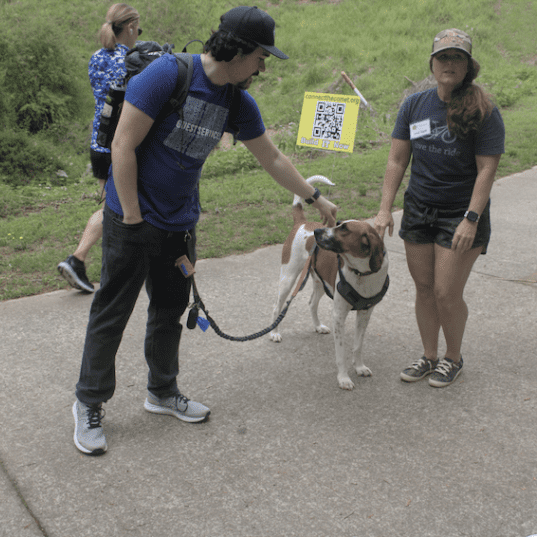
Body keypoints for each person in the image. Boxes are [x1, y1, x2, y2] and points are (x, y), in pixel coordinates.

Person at [72, 6, 339, 456]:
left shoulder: (237, 100)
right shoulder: (166, 75)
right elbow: (123, 144)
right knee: (113, 311)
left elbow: (272, 158)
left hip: (179, 224)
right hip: (131, 218)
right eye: (261, 56)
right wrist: (134, 217)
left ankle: (162, 391)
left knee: (169, 311)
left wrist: (315, 198)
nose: (263, 66)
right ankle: (89, 402)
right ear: (237, 49)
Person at [373, 29, 505, 388]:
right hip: (419, 210)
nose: (449, 64)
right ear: (432, 63)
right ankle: (429, 356)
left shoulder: (484, 110)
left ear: (468, 66)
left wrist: (471, 219)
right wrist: (385, 209)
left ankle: (453, 358)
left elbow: (486, 169)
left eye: (457, 58)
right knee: (424, 288)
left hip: (460, 214)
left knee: (447, 292)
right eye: (443, 57)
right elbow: (397, 161)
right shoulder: (414, 105)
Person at [57, 4, 143, 293]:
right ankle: (79, 258)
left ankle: (91, 261)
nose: (139, 35)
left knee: (114, 202)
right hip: (120, 142)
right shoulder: (132, 60)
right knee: (115, 206)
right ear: (130, 27)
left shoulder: (97, 57)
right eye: (138, 29)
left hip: (99, 141)